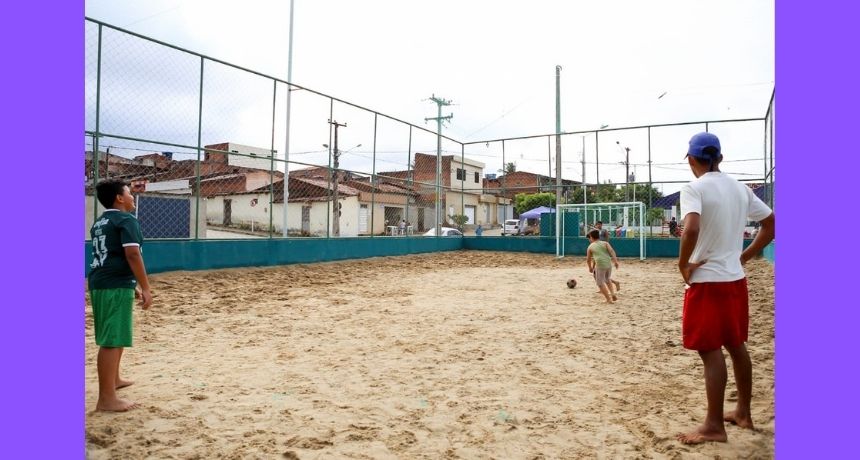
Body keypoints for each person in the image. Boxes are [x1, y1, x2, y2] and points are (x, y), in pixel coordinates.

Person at [675, 132, 775, 444]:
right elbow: (772, 223)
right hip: (735, 280)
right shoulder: (740, 189)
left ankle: (714, 425)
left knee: (709, 350)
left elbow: (690, 227)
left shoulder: (694, 188)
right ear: (719, 158)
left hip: (708, 282)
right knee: (735, 344)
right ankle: (743, 412)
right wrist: (744, 255)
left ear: (692, 160)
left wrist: (683, 264)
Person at [88, 179, 154, 411]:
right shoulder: (126, 219)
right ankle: (106, 399)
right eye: (129, 193)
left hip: (106, 281)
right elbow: (132, 254)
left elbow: (110, 255)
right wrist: (146, 287)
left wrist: (131, 285)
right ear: (119, 198)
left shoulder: (101, 221)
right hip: (113, 284)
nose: (132, 196)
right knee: (112, 339)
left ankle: (114, 380)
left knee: (116, 334)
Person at [586, 229, 620, 303]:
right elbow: (612, 251)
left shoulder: (590, 247)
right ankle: (612, 294)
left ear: (591, 237)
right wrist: (615, 261)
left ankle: (608, 299)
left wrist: (590, 268)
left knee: (600, 283)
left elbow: (588, 259)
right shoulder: (605, 243)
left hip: (600, 265)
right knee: (607, 279)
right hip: (608, 263)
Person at [593, 221, 621, 291]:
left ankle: (604, 287)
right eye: (598, 224)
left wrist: (606, 247)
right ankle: (613, 283)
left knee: (599, 273)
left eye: (600, 224)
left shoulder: (604, 231)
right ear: (595, 225)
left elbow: (607, 239)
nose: (599, 226)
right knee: (596, 273)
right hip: (596, 249)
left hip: (602, 250)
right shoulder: (594, 231)